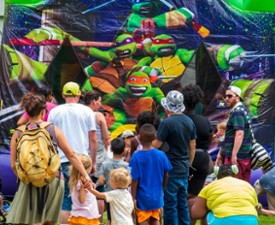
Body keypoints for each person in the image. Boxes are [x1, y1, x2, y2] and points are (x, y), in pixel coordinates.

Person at [7, 93, 93, 225]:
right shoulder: (53, 129)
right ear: (43, 111)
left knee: (32, 220)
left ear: (26, 112)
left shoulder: (18, 133)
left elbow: (13, 165)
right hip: (53, 179)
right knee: (48, 221)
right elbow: (71, 155)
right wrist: (85, 175)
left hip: (29, 181)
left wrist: (27, 176)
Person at [48, 81, 98, 224]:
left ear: (63, 95)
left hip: (63, 158)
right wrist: (93, 161)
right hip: (83, 159)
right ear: (79, 95)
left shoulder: (54, 112)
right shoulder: (87, 111)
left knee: (66, 197)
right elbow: (93, 139)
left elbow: (51, 139)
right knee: (85, 194)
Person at [153, 90, 196, 225]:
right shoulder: (189, 121)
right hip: (184, 166)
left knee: (170, 202)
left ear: (167, 107)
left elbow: (157, 144)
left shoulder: (167, 123)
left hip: (170, 166)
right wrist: (189, 164)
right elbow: (192, 146)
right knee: (182, 201)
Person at [181, 84, 213, 225]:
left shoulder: (179, 121)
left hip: (184, 158)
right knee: (196, 193)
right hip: (203, 158)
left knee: (183, 194)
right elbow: (210, 138)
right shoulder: (204, 121)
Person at [129, 123, 172, 225]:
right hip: (157, 196)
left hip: (142, 198)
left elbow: (134, 180)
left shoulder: (136, 157)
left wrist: (133, 198)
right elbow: (166, 175)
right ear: (155, 137)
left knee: (142, 220)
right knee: (155, 219)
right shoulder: (161, 155)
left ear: (139, 137)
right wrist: (162, 189)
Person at [191, 164, 259, 225]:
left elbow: (196, 214)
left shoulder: (209, 187)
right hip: (251, 220)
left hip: (223, 220)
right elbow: (255, 209)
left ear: (216, 174)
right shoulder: (248, 185)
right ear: (235, 173)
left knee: (205, 212)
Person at [83, 90, 111, 223]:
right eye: (99, 101)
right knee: (100, 189)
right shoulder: (98, 115)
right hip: (99, 154)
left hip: (83, 155)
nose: (100, 104)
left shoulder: (81, 113)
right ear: (94, 101)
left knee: (86, 188)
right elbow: (106, 137)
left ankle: (87, 218)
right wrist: (107, 147)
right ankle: (98, 220)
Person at [96, 138, 129, 224]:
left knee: (110, 219)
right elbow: (129, 181)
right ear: (123, 150)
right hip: (124, 196)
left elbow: (100, 181)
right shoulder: (126, 166)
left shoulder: (105, 164)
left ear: (110, 149)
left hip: (110, 194)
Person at [224, 85, 252, 182]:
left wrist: (233, 155)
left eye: (230, 96)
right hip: (244, 155)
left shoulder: (237, 112)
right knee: (244, 185)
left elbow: (239, 133)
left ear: (237, 97)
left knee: (234, 184)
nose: (226, 98)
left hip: (238, 157)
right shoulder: (243, 109)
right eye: (226, 96)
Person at [68, 154, 100, 225]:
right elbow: (82, 200)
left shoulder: (77, 181)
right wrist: (82, 187)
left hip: (81, 216)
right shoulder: (81, 183)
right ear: (87, 169)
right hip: (85, 217)